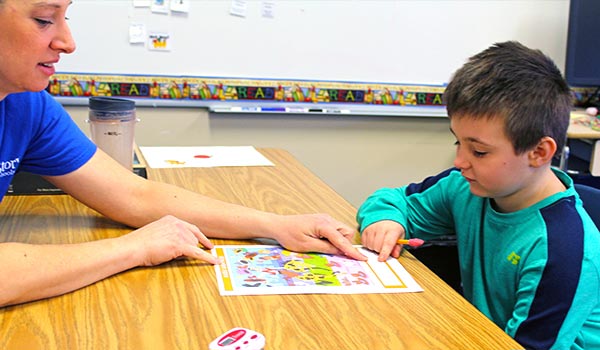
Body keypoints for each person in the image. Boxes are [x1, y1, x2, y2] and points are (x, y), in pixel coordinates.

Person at [0, 0, 366, 308]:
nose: (67, 41)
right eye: (45, 20)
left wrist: (275, 225)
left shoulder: (28, 106)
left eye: (67, 18)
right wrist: (133, 248)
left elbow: (132, 194)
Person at [357, 41, 600, 349]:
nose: (460, 162)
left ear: (539, 152)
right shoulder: (465, 186)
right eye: (457, 143)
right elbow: (392, 200)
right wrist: (386, 221)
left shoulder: (563, 250)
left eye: (479, 151)